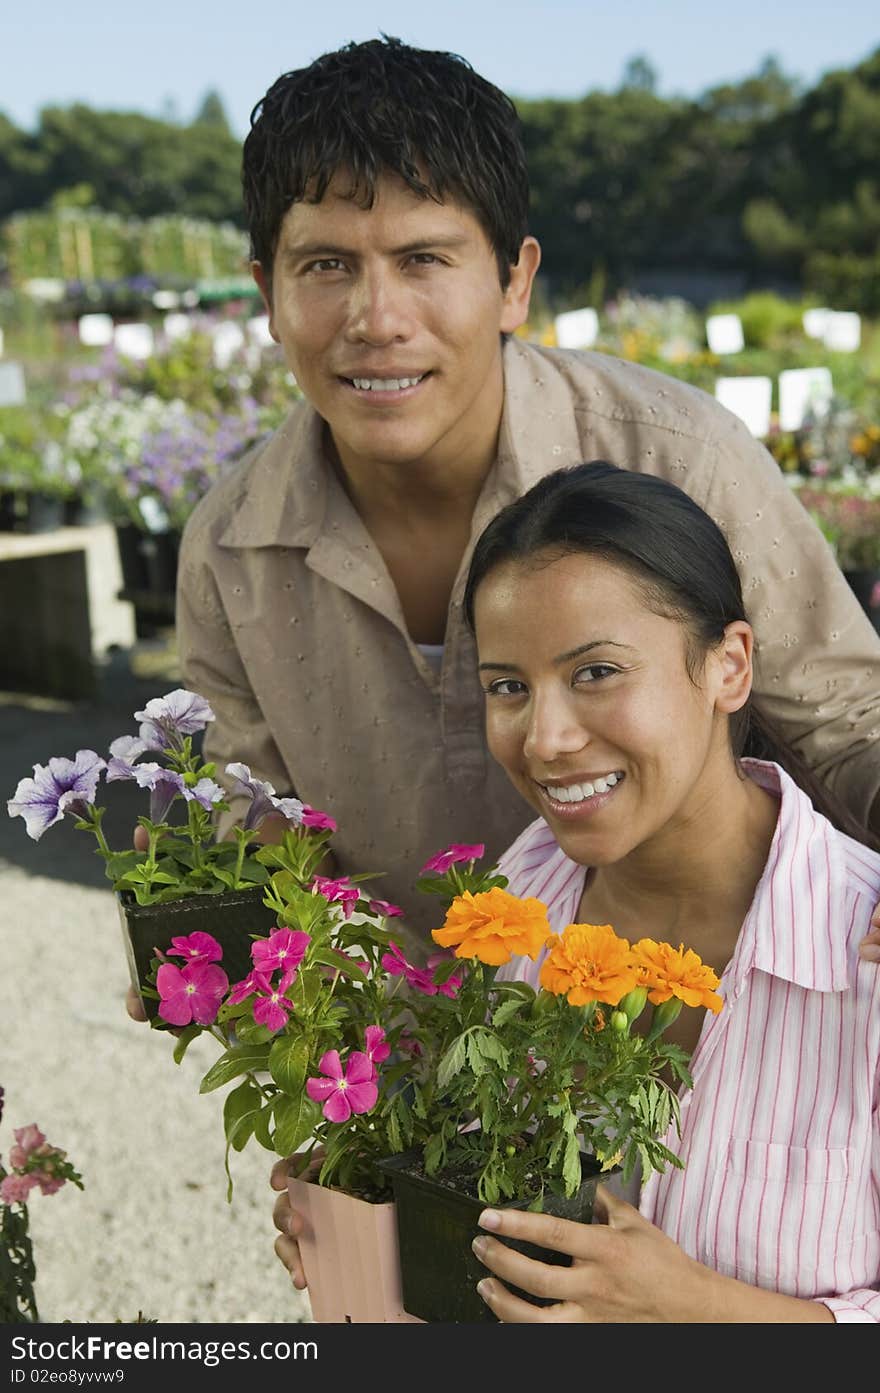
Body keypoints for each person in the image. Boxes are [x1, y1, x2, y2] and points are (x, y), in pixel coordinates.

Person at [231, 35, 880, 1278]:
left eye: (425, 258)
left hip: (732, 1004)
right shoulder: (227, 550)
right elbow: (265, 870)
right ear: (268, 289)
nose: (377, 318)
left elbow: (844, 707)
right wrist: (354, 1125)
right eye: (324, 266)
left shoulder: (674, 454)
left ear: (514, 278)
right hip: (476, 1067)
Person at [449, 460, 878, 1322]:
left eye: (597, 671)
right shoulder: (517, 900)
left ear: (729, 666)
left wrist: (694, 1309)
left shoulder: (864, 944)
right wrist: (358, 1210)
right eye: (508, 686)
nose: (547, 738)